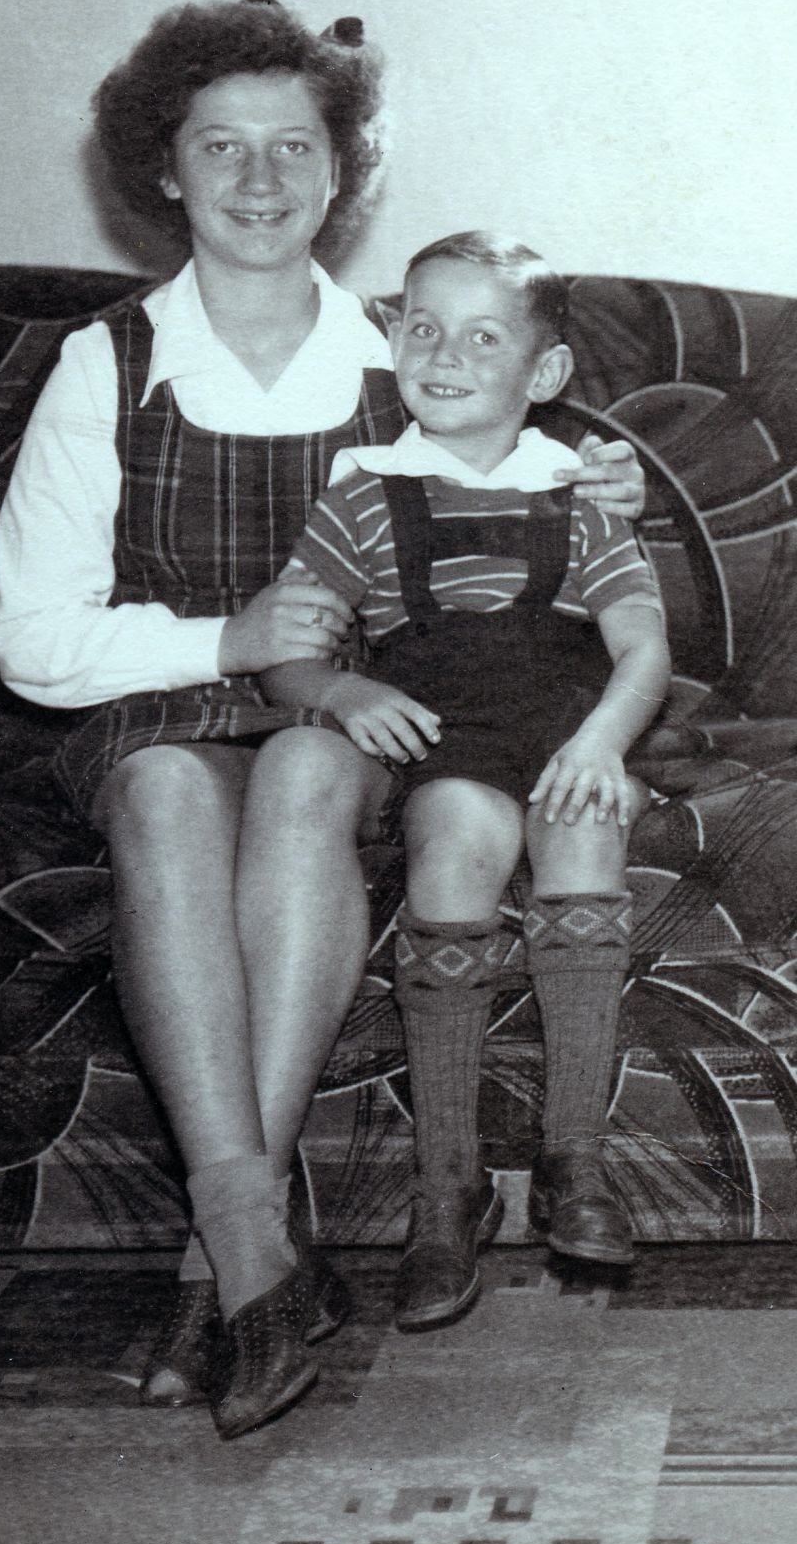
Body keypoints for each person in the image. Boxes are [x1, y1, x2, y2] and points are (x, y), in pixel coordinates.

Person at [0, 0, 646, 1436]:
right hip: (150, 706)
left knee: (300, 761)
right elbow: (26, 638)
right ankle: (245, 1235)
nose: (261, 178)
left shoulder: (400, 362)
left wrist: (608, 481)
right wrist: (218, 636)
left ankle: (223, 1264)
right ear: (164, 170)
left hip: (351, 721)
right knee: (166, 785)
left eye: (295, 145)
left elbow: (539, 476)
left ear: (343, 171)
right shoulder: (108, 362)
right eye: (219, 145)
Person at [263, 231, 670, 1331]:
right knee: (451, 840)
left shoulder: (583, 494)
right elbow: (287, 652)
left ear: (544, 371)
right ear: (393, 338)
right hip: (447, 746)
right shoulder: (362, 494)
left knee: (583, 830)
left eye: (483, 337)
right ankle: (446, 1185)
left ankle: (574, 1159)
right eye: (422, 327)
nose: (443, 354)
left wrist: (601, 745)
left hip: (567, 733)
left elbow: (641, 647)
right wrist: (340, 689)